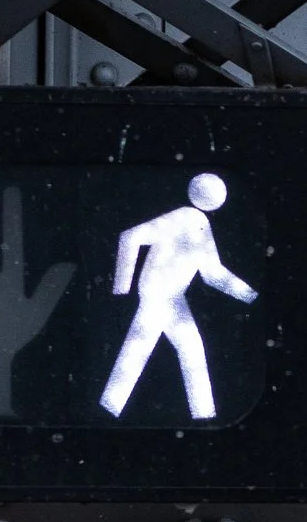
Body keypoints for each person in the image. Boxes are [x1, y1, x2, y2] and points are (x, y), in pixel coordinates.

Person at [99, 172, 257, 419]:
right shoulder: (185, 218)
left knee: (183, 351)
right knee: (144, 352)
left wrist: (250, 296)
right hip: (158, 296)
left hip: (172, 298)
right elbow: (130, 237)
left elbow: (212, 273)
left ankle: (202, 415)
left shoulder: (199, 222)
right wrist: (121, 287)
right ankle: (111, 409)